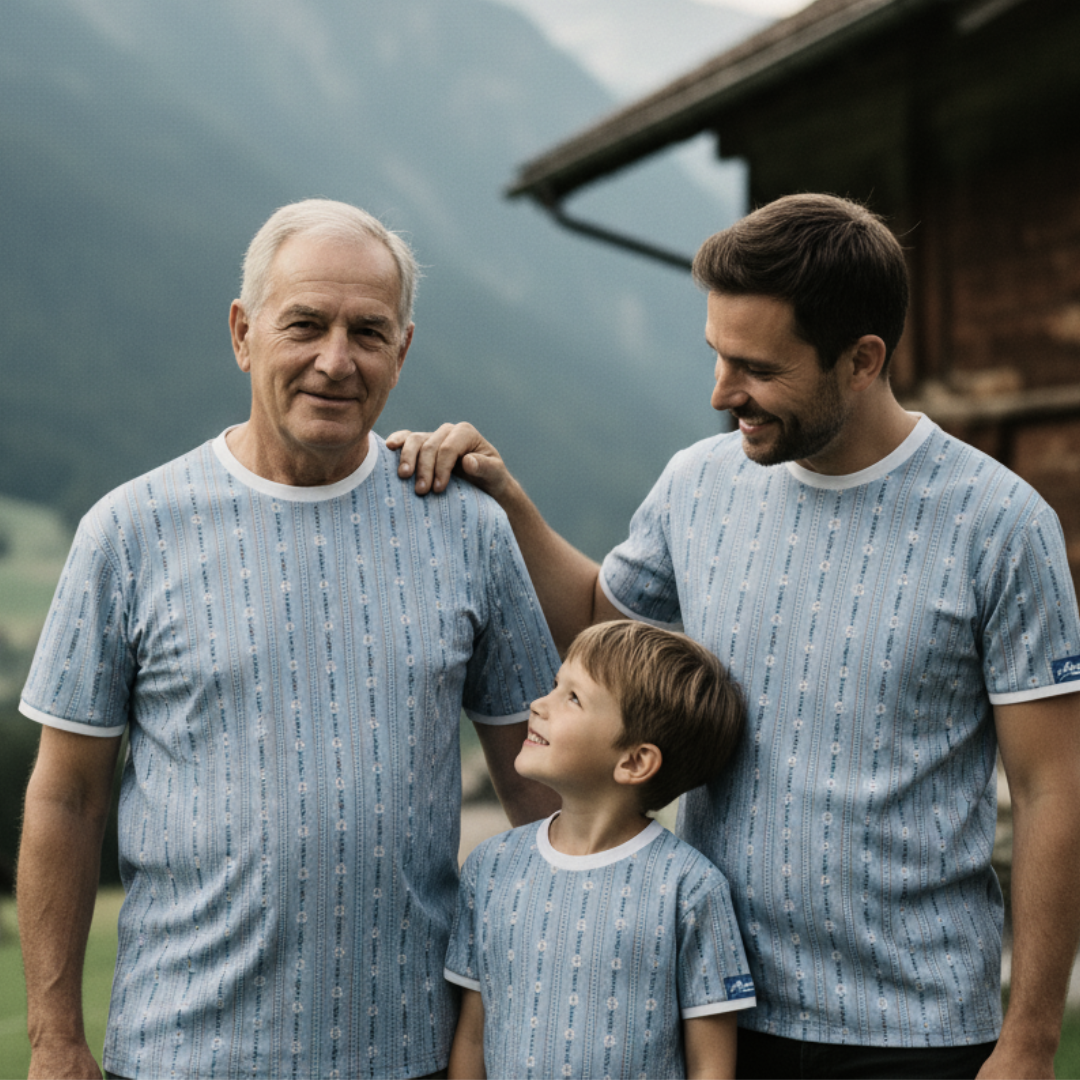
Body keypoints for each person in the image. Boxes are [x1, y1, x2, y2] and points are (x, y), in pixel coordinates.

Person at [390, 193, 1080, 1078]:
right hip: (716, 1010)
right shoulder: (699, 483)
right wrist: (505, 498)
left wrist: (1028, 1042)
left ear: (862, 359)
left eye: (756, 368)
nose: (721, 393)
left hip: (917, 1033)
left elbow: (1052, 787)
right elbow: (604, 618)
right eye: (717, 355)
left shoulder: (1000, 525)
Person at [16, 198, 560, 1080]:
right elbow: (67, 800)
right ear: (243, 332)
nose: (335, 361)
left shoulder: (467, 526)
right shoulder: (129, 530)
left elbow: (545, 790)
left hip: (409, 1053)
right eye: (305, 324)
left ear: (402, 352)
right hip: (178, 1056)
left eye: (368, 332)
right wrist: (53, 1040)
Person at [444, 619, 756, 1080]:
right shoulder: (490, 867)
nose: (538, 704)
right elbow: (473, 1036)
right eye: (555, 684)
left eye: (572, 697)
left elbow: (710, 1065)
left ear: (635, 761)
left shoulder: (689, 888)